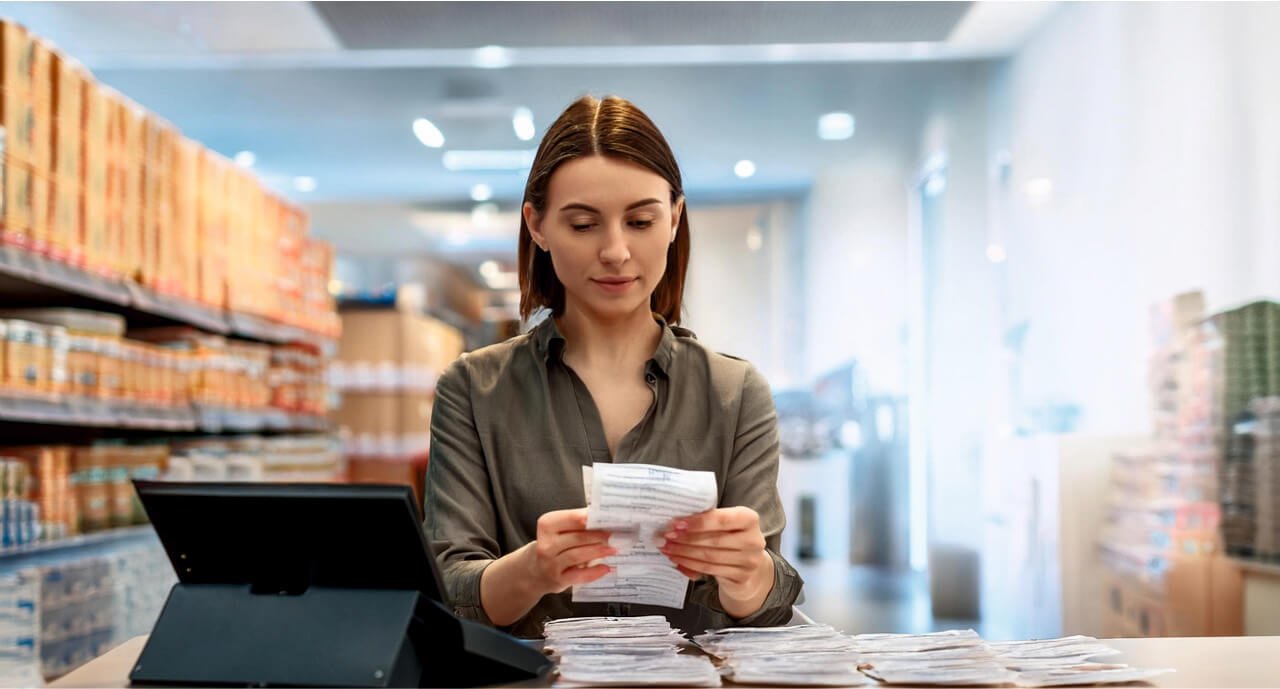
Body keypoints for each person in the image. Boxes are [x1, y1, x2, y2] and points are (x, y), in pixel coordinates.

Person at [425, 94, 803, 638]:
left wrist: (749, 575)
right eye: (583, 225)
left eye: (641, 220)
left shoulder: (735, 391)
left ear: (674, 219)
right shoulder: (473, 389)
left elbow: (769, 604)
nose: (617, 251)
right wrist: (532, 570)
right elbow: (448, 587)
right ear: (537, 225)